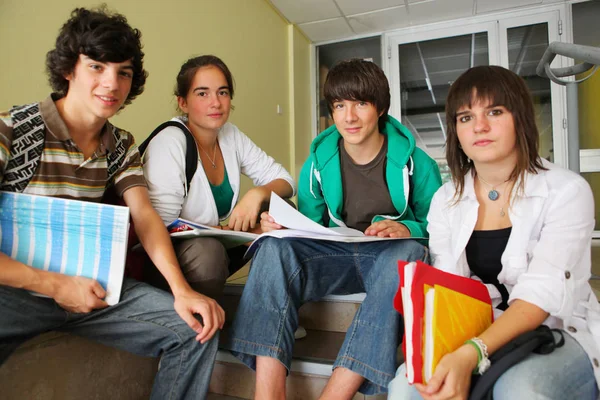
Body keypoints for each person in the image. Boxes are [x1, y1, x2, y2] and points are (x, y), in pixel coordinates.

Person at [0, 7, 224, 399]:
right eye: (97, 67)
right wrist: (54, 285)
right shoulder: (12, 128)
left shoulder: (121, 143)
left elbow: (145, 215)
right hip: (17, 292)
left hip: (96, 290)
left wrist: (182, 290)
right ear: (69, 68)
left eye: (123, 72)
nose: (112, 83)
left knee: (195, 330)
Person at [225, 58, 442, 398]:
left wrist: (408, 228)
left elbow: (439, 227)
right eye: (340, 106)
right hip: (338, 254)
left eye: (360, 104)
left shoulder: (419, 163)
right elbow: (311, 227)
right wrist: (281, 226)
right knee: (273, 247)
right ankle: (268, 394)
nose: (349, 117)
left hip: (388, 256)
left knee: (408, 252)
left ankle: (335, 394)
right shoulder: (317, 162)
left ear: (381, 107)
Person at [387, 65, 600, 400]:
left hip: (556, 328)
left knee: (519, 390)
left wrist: (471, 352)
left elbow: (539, 299)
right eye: (466, 117)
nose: (480, 126)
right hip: (476, 326)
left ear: (521, 119)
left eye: (495, 111)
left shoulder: (567, 191)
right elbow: (449, 289)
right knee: (405, 388)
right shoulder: (446, 199)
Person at [142, 55, 295, 299]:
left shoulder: (230, 134)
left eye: (222, 92)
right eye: (202, 94)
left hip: (218, 243)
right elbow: (162, 224)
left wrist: (257, 194)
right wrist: (244, 232)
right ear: (183, 102)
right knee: (209, 252)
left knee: (280, 207)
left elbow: (285, 179)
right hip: (167, 259)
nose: (216, 103)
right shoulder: (170, 142)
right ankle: (194, 327)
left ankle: (268, 311)